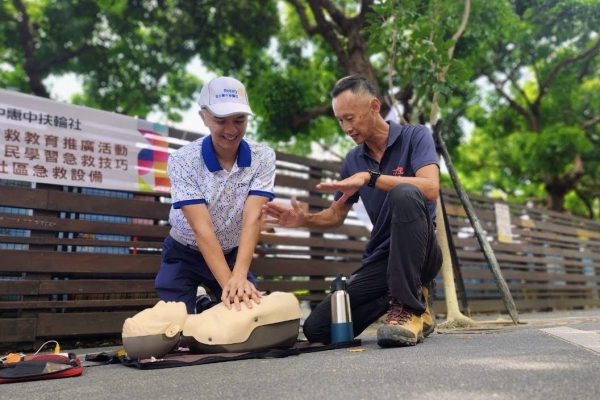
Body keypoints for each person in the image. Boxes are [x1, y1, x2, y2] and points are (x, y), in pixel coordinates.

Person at [262, 75, 442, 347]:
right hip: (381, 260)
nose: (346, 128)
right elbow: (335, 215)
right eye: (340, 120)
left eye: (350, 117)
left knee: (404, 193)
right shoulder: (353, 160)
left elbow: (430, 188)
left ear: (374, 106)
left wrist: (371, 178)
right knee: (319, 328)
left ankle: (410, 307)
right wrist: (303, 220)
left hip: (421, 252)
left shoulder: (415, 136)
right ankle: (409, 299)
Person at [155, 76, 276, 314]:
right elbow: (202, 230)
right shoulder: (183, 160)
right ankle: (199, 302)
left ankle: (207, 303)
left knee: (249, 314)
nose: (231, 130)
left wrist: (239, 277)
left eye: (239, 120)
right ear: (204, 118)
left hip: (232, 253)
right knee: (178, 321)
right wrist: (231, 289)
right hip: (184, 251)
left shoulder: (263, 157)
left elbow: (253, 218)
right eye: (220, 120)